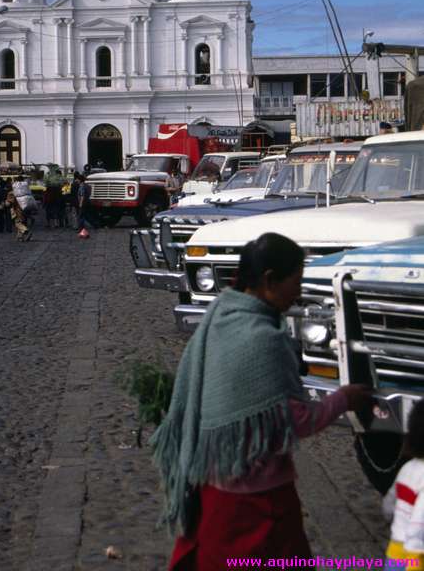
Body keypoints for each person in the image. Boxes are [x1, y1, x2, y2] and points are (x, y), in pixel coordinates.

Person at [150, 233, 372, 569]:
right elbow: (294, 421)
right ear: (269, 281)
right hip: (259, 502)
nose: (297, 293)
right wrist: (344, 399)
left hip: (213, 488)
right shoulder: (265, 339)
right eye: (295, 282)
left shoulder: (219, 316)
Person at [383, 399, 424, 568]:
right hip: (414, 557)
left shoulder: (408, 467)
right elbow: (419, 523)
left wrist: (388, 515)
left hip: (394, 550)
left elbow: (390, 501)